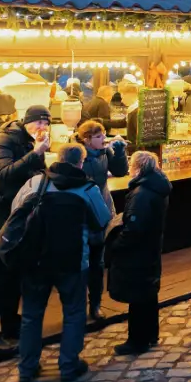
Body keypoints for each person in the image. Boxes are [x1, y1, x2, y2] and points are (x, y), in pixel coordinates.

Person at [12, 142, 111, 382]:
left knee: (31, 315)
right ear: (81, 162)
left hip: (36, 259)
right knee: (74, 312)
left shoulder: (37, 183)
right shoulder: (87, 189)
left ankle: (27, 367)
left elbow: (16, 211)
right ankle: (68, 365)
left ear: (56, 157)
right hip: (74, 260)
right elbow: (102, 219)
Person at [0, 104, 53, 352]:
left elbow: (32, 172)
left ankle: (10, 323)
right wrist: (35, 153)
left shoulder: (35, 142)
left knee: (17, 268)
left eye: (46, 123)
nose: (42, 127)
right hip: (1, 211)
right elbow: (4, 173)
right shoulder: (4, 139)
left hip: (21, 210)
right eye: (38, 123)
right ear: (26, 122)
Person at [106, 151, 171, 356]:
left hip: (138, 251)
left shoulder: (142, 193)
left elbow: (134, 228)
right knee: (148, 294)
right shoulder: (156, 185)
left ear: (137, 167)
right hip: (150, 247)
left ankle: (137, 340)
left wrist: (116, 244)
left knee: (138, 297)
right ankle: (150, 334)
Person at [74, 120, 128, 321]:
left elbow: (121, 171)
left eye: (104, 135)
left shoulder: (105, 152)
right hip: (82, 211)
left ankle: (95, 304)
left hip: (103, 208)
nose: (103, 139)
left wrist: (120, 151)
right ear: (87, 139)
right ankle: (77, 305)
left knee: (98, 260)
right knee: (81, 262)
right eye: (98, 136)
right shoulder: (78, 155)